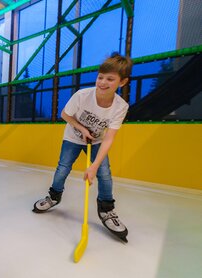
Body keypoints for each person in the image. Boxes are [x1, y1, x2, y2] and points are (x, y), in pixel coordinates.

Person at [32, 53, 132, 242]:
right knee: (63, 168)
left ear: (122, 82)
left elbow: (109, 138)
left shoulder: (120, 106)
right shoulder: (82, 95)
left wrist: (93, 166)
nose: (102, 82)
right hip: (72, 137)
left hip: (97, 141)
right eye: (100, 77)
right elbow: (65, 115)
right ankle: (54, 197)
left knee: (104, 174)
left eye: (110, 79)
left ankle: (106, 210)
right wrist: (82, 128)